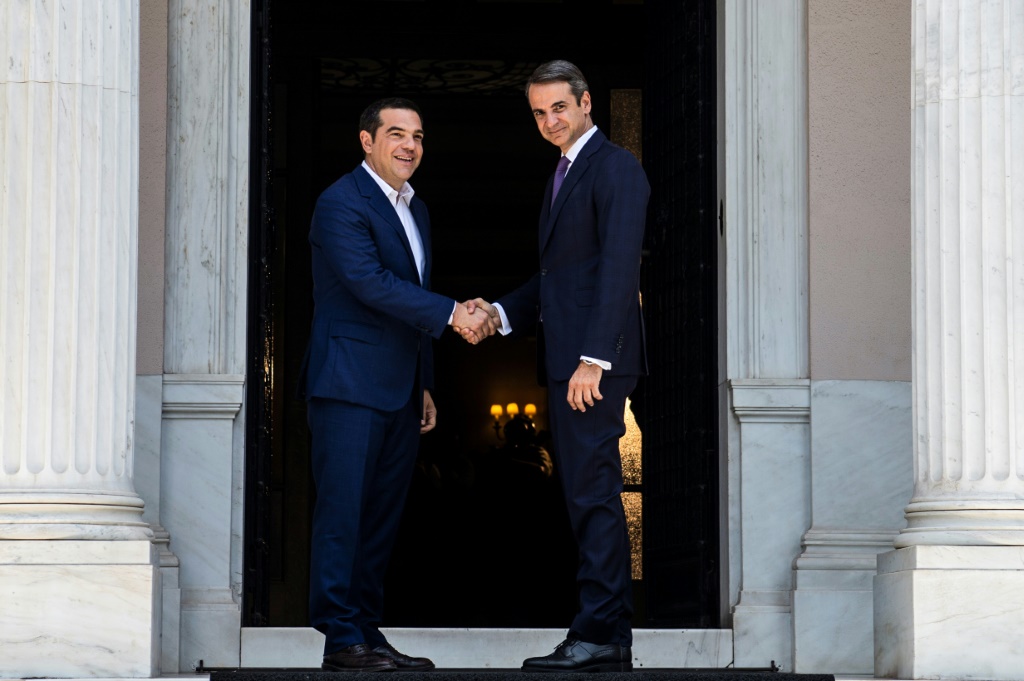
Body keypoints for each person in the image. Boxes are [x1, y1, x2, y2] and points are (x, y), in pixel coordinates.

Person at [298, 96, 497, 672]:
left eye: (418, 136)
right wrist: (454, 312)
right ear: (367, 141)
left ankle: (365, 630)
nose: (410, 145)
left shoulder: (417, 209)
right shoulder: (340, 201)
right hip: (346, 383)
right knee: (343, 514)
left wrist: (424, 381)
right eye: (397, 134)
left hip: (400, 388)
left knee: (380, 517)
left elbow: (411, 300)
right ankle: (340, 638)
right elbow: (368, 281)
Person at [469, 59, 650, 672]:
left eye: (559, 108)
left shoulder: (615, 167)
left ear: (586, 102)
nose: (549, 121)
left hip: (591, 367)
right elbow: (559, 278)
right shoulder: (564, 171)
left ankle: (600, 633)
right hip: (570, 362)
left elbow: (619, 268)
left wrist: (594, 360)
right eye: (539, 113)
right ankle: (607, 635)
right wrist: (498, 312)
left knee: (594, 493)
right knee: (584, 493)